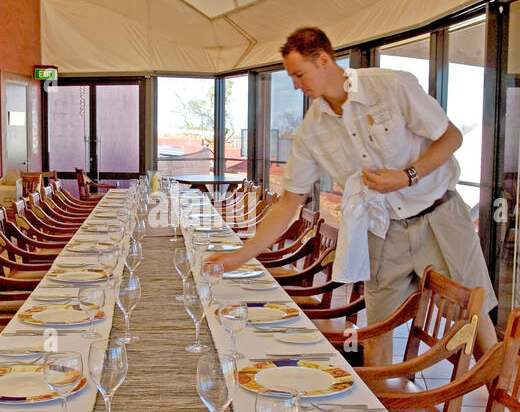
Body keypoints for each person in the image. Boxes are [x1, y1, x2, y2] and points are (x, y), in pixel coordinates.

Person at [210, 26, 498, 366]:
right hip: (382, 228)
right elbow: (289, 202)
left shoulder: (391, 86)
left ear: (323, 60)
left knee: (475, 320)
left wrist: (406, 177)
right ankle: (381, 407)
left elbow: (450, 138)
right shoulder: (312, 132)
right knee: (376, 329)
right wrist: (238, 258)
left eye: (299, 74)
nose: (295, 85)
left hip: (439, 215)